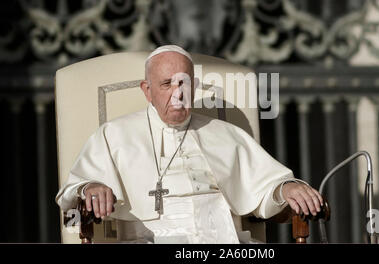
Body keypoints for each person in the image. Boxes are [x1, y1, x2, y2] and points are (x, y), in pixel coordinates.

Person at [56, 44, 323, 243]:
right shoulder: (113, 135)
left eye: (184, 83)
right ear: (147, 90)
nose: (178, 93)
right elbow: (72, 191)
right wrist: (90, 186)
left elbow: (265, 189)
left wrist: (285, 188)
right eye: (166, 84)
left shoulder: (226, 134)